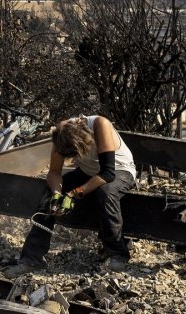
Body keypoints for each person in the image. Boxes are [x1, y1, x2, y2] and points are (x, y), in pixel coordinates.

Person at [8, 115, 136, 275]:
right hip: (89, 172)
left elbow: (108, 173)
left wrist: (74, 193)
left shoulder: (100, 125)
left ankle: (118, 254)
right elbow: (54, 172)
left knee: (106, 192)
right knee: (48, 194)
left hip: (119, 171)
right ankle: (32, 259)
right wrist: (56, 193)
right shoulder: (62, 133)